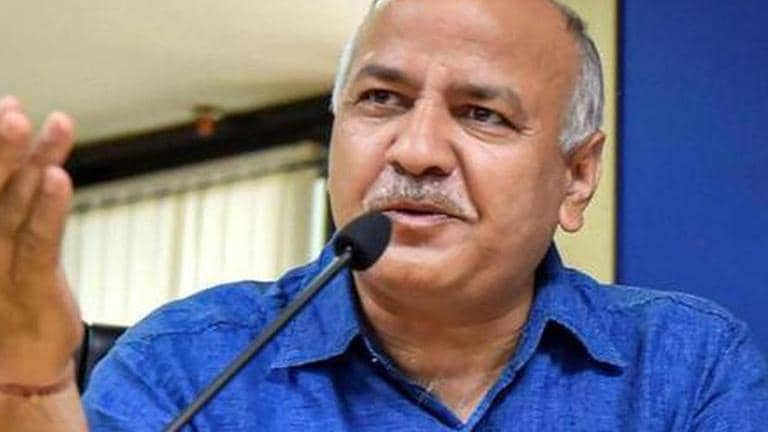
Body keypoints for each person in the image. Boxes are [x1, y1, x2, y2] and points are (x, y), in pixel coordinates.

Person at [1, 0, 767, 430]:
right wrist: (29, 390)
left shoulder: (685, 367)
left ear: (577, 175)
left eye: (482, 114)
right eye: (381, 100)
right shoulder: (187, 365)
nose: (418, 150)